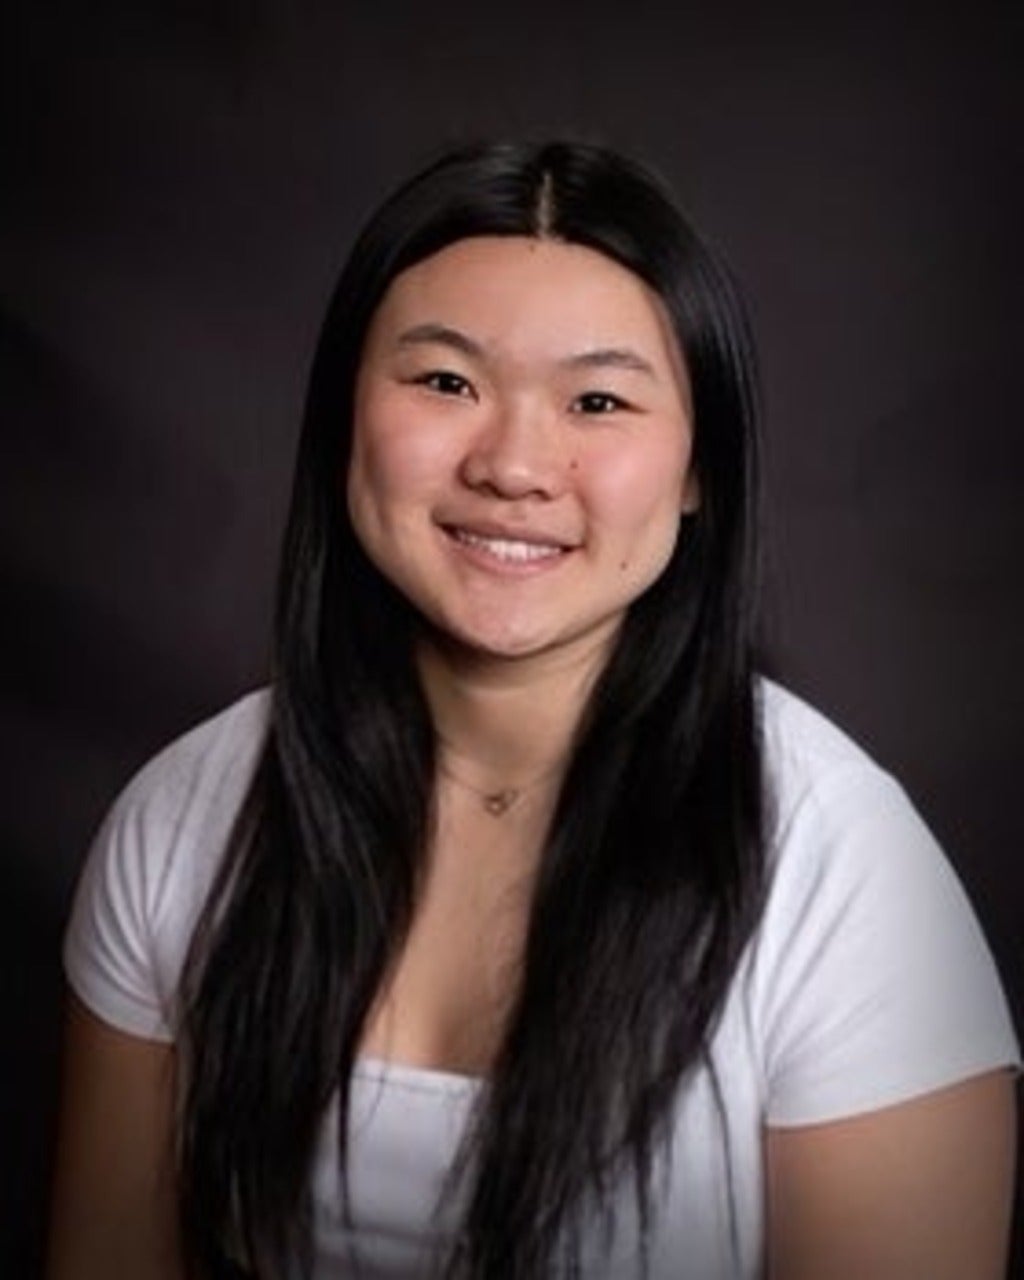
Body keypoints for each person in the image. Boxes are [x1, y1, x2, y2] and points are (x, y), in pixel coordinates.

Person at [47, 140, 1019, 1280]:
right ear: (342, 418)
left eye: (598, 399)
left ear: (701, 467)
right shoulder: (182, 815)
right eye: (445, 381)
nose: (514, 464)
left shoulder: (843, 866)